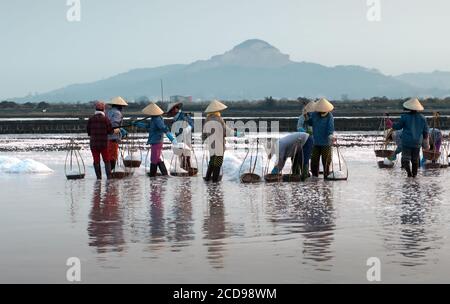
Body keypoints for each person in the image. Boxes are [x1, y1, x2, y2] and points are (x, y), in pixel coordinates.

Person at [133, 102, 177, 177]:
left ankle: (152, 177)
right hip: (155, 140)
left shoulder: (157, 119)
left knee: (154, 159)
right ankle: (165, 175)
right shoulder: (154, 118)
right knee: (157, 159)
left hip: (157, 141)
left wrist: (171, 138)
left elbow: (163, 128)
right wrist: (138, 124)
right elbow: (148, 126)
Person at [202, 100, 241, 182]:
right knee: (218, 163)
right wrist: (237, 134)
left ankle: (207, 179)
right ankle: (215, 183)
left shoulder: (207, 120)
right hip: (219, 145)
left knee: (212, 162)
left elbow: (204, 134)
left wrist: (203, 139)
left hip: (211, 145)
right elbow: (227, 131)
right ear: (217, 111)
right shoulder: (219, 119)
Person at [392, 98, 429, 178]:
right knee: (415, 159)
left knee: (406, 159)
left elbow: (398, 126)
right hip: (417, 142)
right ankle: (414, 176)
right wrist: (425, 140)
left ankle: (409, 173)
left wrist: (391, 124)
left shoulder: (404, 117)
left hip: (406, 141)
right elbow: (426, 132)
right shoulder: (423, 118)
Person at [306, 98, 335, 178]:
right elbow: (310, 122)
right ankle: (315, 178)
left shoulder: (330, 116)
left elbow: (330, 129)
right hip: (316, 143)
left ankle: (326, 177)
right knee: (314, 161)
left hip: (326, 143)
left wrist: (331, 136)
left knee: (326, 162)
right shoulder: (315, 114)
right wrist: (306, 115)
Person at [87, 101, 114, 180]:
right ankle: (109, 177)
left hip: (94, 144)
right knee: (106, 160)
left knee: (96, 161)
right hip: (104, 144)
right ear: (103, 110)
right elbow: (110, 131)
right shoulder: (106, 119)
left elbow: (88, 132)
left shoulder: (91, 119)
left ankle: (99, 178)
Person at [166, 102, 194, 171]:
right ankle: (183, 170)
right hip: (179, 138)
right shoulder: (175, 118)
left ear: (176, 109)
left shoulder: (184, 115)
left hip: (186, 138)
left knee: (186, 154)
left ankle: (187, 170)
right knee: (181, 155)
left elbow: (191, 124)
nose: (172, 112)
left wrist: (186, 129)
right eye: (171, 111)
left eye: (172, 110)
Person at [107, 96, 129, 171]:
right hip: (113, 138)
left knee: (109, 156)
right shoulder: (117, 113)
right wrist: (120, 130)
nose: (122, 108)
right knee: (112, 157)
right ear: (119, 106)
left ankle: (109, 174)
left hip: (107, 138)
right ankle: (111, 174)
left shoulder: (108, 112)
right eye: (121, 106)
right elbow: (114, 125)